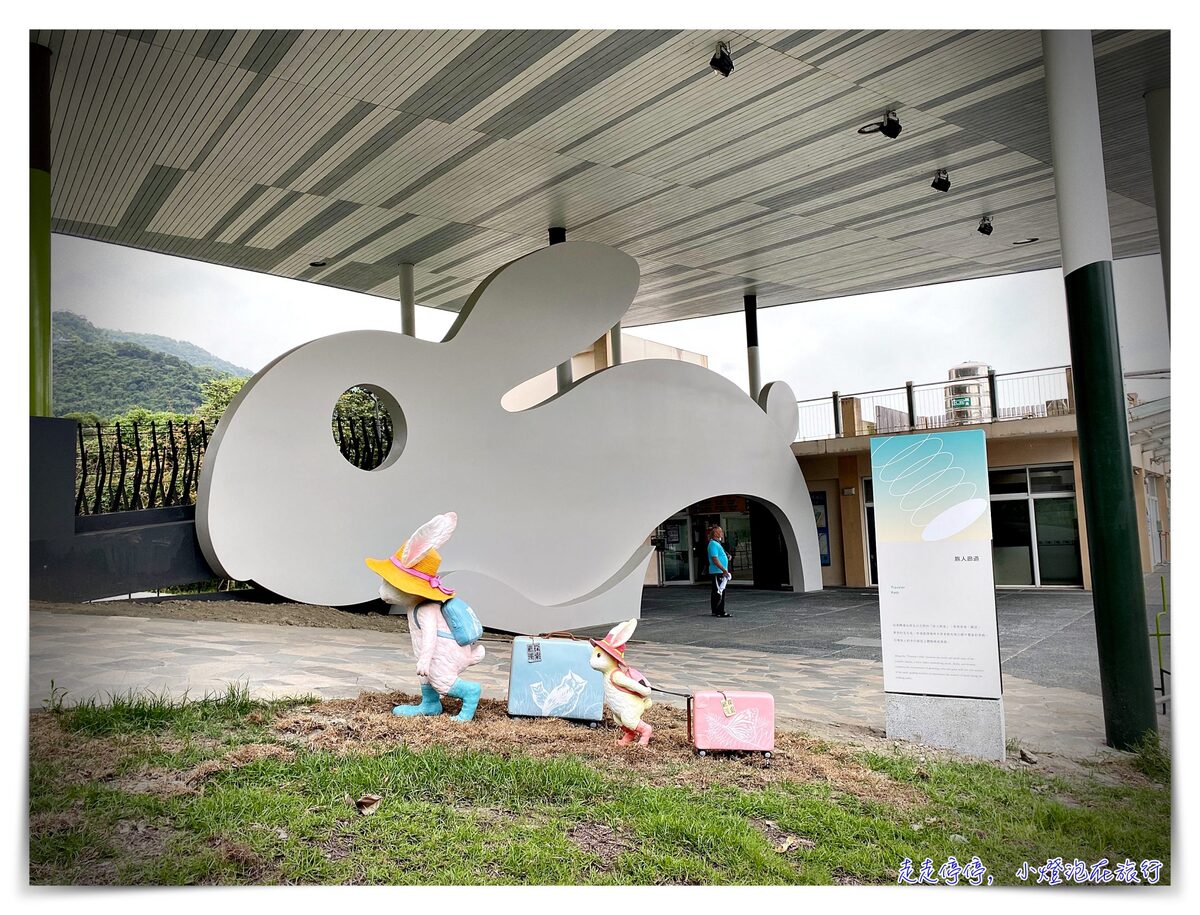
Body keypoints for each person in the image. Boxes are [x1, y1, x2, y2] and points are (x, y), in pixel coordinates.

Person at [707, 526, 731, 617]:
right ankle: (719, 611)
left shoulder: (717, 543)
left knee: (718, 590)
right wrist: (723, 569)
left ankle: (716, 610)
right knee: (719, 591)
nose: (722, 533)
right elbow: (715, 559)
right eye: (720, 531)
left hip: (719, 571)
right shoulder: (713, 544)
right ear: (716, 533)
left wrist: (727, 556)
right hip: (717, 571)